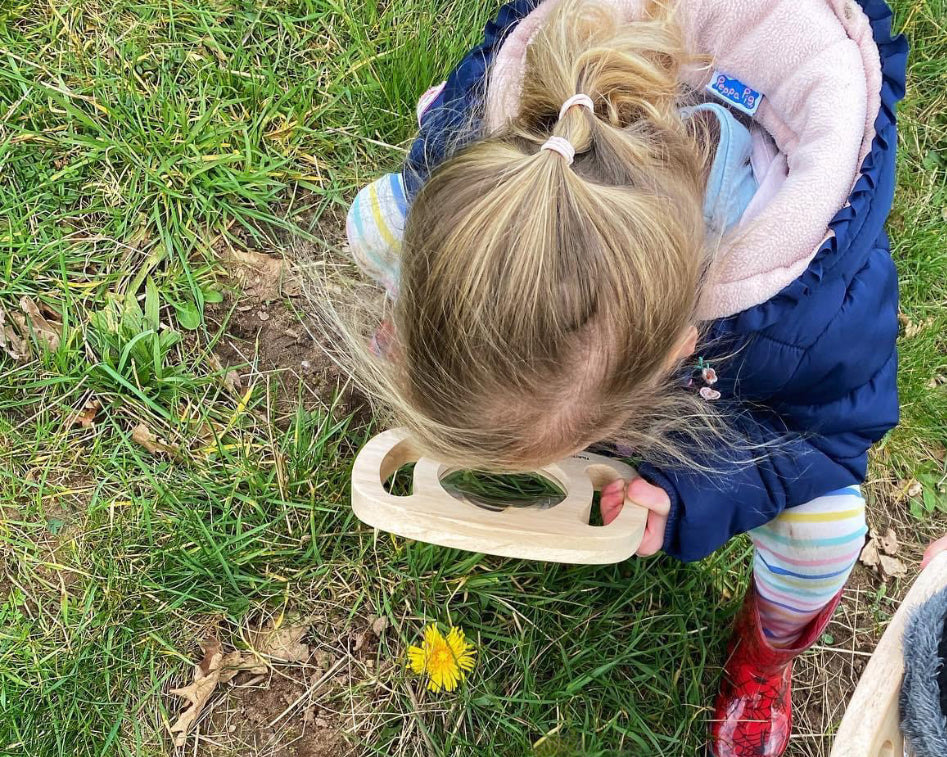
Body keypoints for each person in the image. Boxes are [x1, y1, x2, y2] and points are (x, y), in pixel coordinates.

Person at [340, 0, 908, 754]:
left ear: (679, 352)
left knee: (825, 532)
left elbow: (827, 443)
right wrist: (432, 321)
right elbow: (427, 197)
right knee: (377, 221)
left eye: (591, 433)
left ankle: (766, 652)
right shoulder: (515, 150)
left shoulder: (811, 318)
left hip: (753, 353)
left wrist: (689, 497)